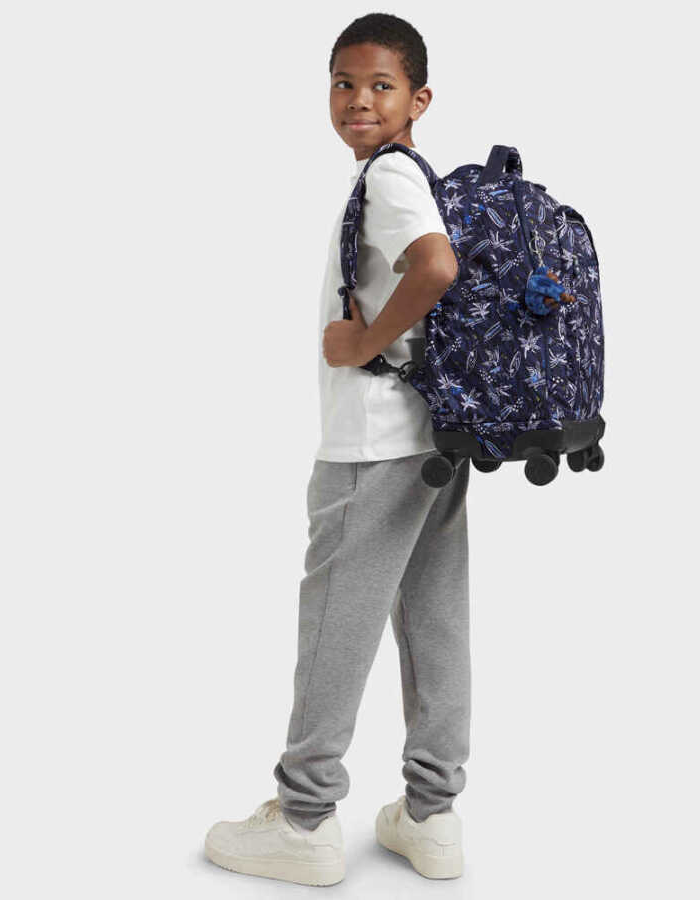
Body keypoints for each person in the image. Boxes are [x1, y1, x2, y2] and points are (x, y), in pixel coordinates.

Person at [205, 13, 470, 886]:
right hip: (434, 440)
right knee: (433, 622)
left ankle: (306, 819)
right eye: (343, 84)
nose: (359, 100)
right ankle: (431, 814)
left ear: (418, 99)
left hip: (373, 448)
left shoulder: (390, 177)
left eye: (381, 86)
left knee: (334, 625)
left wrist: (362, 343)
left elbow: (435, 266)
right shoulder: (411, 175)